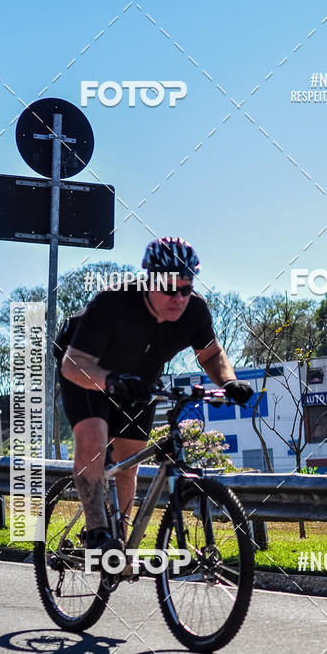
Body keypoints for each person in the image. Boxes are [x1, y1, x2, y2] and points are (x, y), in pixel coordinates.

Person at [59, 236, 253, 553]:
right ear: (148, 281)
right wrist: (110, 380)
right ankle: (96, 533)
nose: (178, 298)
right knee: (93, 437)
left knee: (129, 461)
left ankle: (118, 544)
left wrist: (229, 382)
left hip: (140, 382)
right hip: (89, 373)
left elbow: (211, 355)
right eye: (168, 289)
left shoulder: (195, 311)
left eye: (185, 289)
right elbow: (71, 365)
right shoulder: (113, 303)